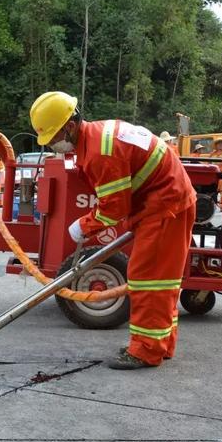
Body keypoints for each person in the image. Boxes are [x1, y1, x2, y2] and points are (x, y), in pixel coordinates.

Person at [30, 91, 196, 370]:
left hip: (165, 206)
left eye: (54, 136)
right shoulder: (97, 136)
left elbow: (113, 209)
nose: (53, 145)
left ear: (70, 125)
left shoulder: (100, 152)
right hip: (165, 202)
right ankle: (160, 344)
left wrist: (82, 227)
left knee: (148, 280)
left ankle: (145, 351)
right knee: (161, 281)